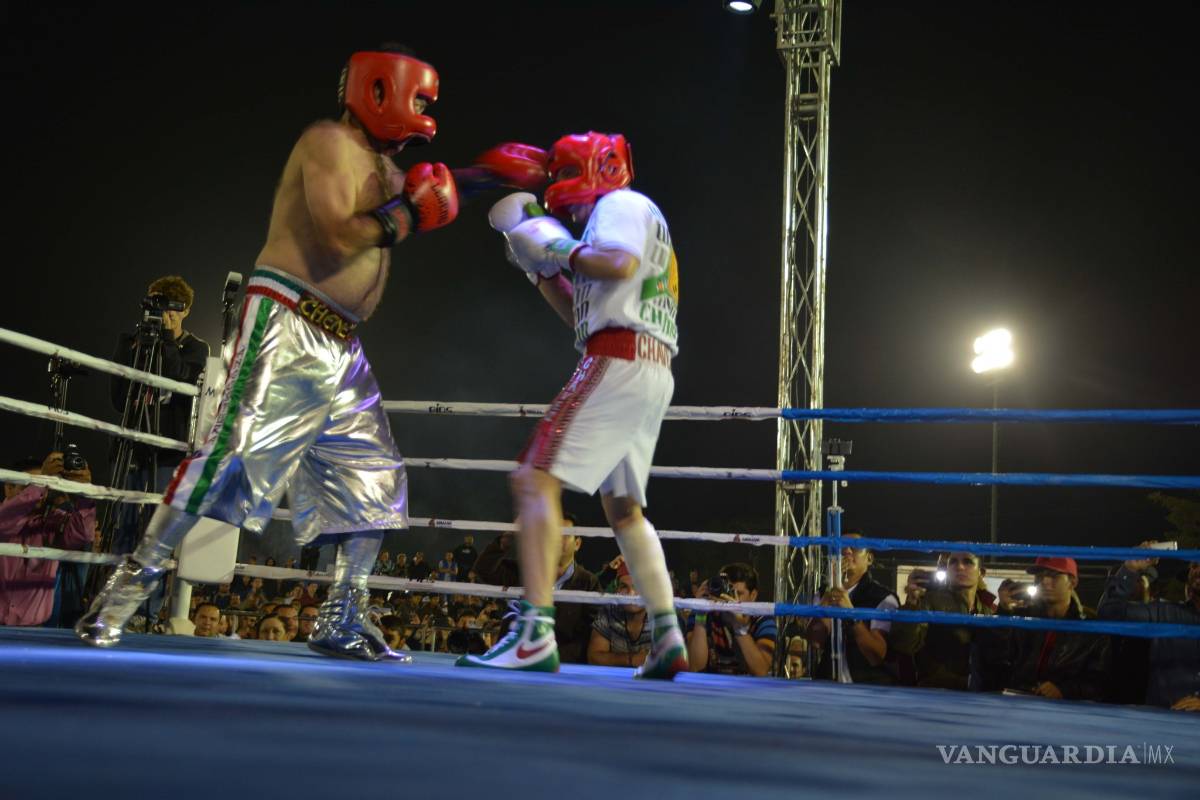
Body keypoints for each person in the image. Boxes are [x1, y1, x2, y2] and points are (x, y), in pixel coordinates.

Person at [77, 46, 467, 661]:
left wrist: (507, 173)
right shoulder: (329, 142)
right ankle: (120, 597)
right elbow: (341, 234)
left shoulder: (387, 170)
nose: (424, 114)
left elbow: (431, 195)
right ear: (380, 91)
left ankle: (341, 617)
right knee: (227, 457)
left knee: (375, 477)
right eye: (418, 99)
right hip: (287, 318)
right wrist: (409, 217)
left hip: (343, 344)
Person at [459, 132, 685, 678]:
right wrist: (540, 268)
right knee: (624, 510)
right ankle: (667, 634)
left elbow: (618, 265)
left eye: (562, 175)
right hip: (644, 363)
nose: (559, 190)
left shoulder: (621, 205)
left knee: (534, 477)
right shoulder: (612, 220)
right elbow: (579, 313)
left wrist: (557, 245)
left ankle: (535, 631)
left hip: (619, 357)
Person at [1098, 542, 1200, 710]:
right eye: (1194, 565)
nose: (1198, 570)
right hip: (1162, 720)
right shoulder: (1164, 613)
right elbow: (1108, 613)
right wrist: (1130, 568)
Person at [0, 452, 96, 626]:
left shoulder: (51, 520)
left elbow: (83, 534)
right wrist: (41, 482)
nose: (40, 492)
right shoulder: (4, 517)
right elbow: (5, 521)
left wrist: (85, 493)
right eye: (30, 486)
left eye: (45, 486)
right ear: (8, 488)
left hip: (33, 631)